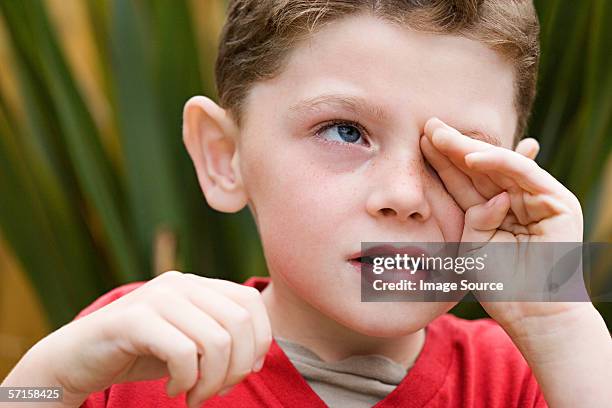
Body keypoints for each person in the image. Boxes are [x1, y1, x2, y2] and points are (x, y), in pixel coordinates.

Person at [3, 1, 611, 407]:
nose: (402, 197)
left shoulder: (528, 379)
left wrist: (558, 324)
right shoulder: (140, 348)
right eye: (345, 131)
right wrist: (47, 381)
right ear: (223, 155)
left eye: (454, 155)